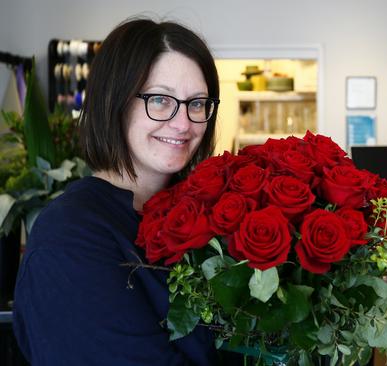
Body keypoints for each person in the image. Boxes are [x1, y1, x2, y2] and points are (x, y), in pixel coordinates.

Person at [13, 17, 240, 365]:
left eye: (197, 103)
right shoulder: (70, 235)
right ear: (114, 101)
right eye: (161, 100)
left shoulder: (198, 216)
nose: (183, 124)